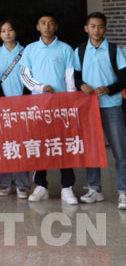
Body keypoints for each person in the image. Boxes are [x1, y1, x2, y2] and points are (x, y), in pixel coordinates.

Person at [20, 13, 78, 205]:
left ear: (56, 27)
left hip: (60, 107)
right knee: (40, 144)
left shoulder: (66, 49)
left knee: (63, 145)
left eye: (51, 23)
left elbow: (70, 79)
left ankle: (67, 187)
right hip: (38, 106)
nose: (47, 26)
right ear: (37, 27)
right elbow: (25, 75)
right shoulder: (30, 49)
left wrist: (70, 104)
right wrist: (41, 87)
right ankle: (41, 186)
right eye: (43, 23)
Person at [74, 11, 126, 210]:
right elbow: (75, 76)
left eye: (100, 26)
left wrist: (109, 89)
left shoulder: (113, 50)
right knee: (92, 150)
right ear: (86, 28)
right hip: (89, 108)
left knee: (120, 151)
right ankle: (94, 189)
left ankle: (123, 191)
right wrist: (81, 85)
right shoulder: (80, 50)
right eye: (93, 26)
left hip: (111, 106)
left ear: (106, 28)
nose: (96, 30)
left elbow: (124, 77)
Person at [0, 18, 30, 198]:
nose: (7, 33)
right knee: (5, 145)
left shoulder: (25, 51)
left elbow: (28, 77)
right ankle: (5, 183)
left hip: (22, 105)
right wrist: (4, 100)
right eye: (3, 30)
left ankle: (22, 184)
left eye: (10, 29)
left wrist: (23, 100)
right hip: (2, 106)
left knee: (23, 145)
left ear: (16, 32)